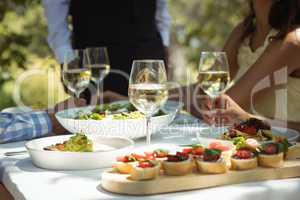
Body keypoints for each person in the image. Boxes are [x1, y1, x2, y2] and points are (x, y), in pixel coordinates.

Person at [200, 0, 300, 128]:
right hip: (249, 141)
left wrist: (245, 119)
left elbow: (222, 109)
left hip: (286, 146)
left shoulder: (292, 40)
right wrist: (168, 91)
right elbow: (202, 91)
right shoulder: (244, 30)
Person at [42, 0, 171, 98]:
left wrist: (164, 45)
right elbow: (55, 15)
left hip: (150, 54)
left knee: (153, 119)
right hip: (96, 60)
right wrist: (68, 60)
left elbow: (161, 10)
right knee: (97, 121)